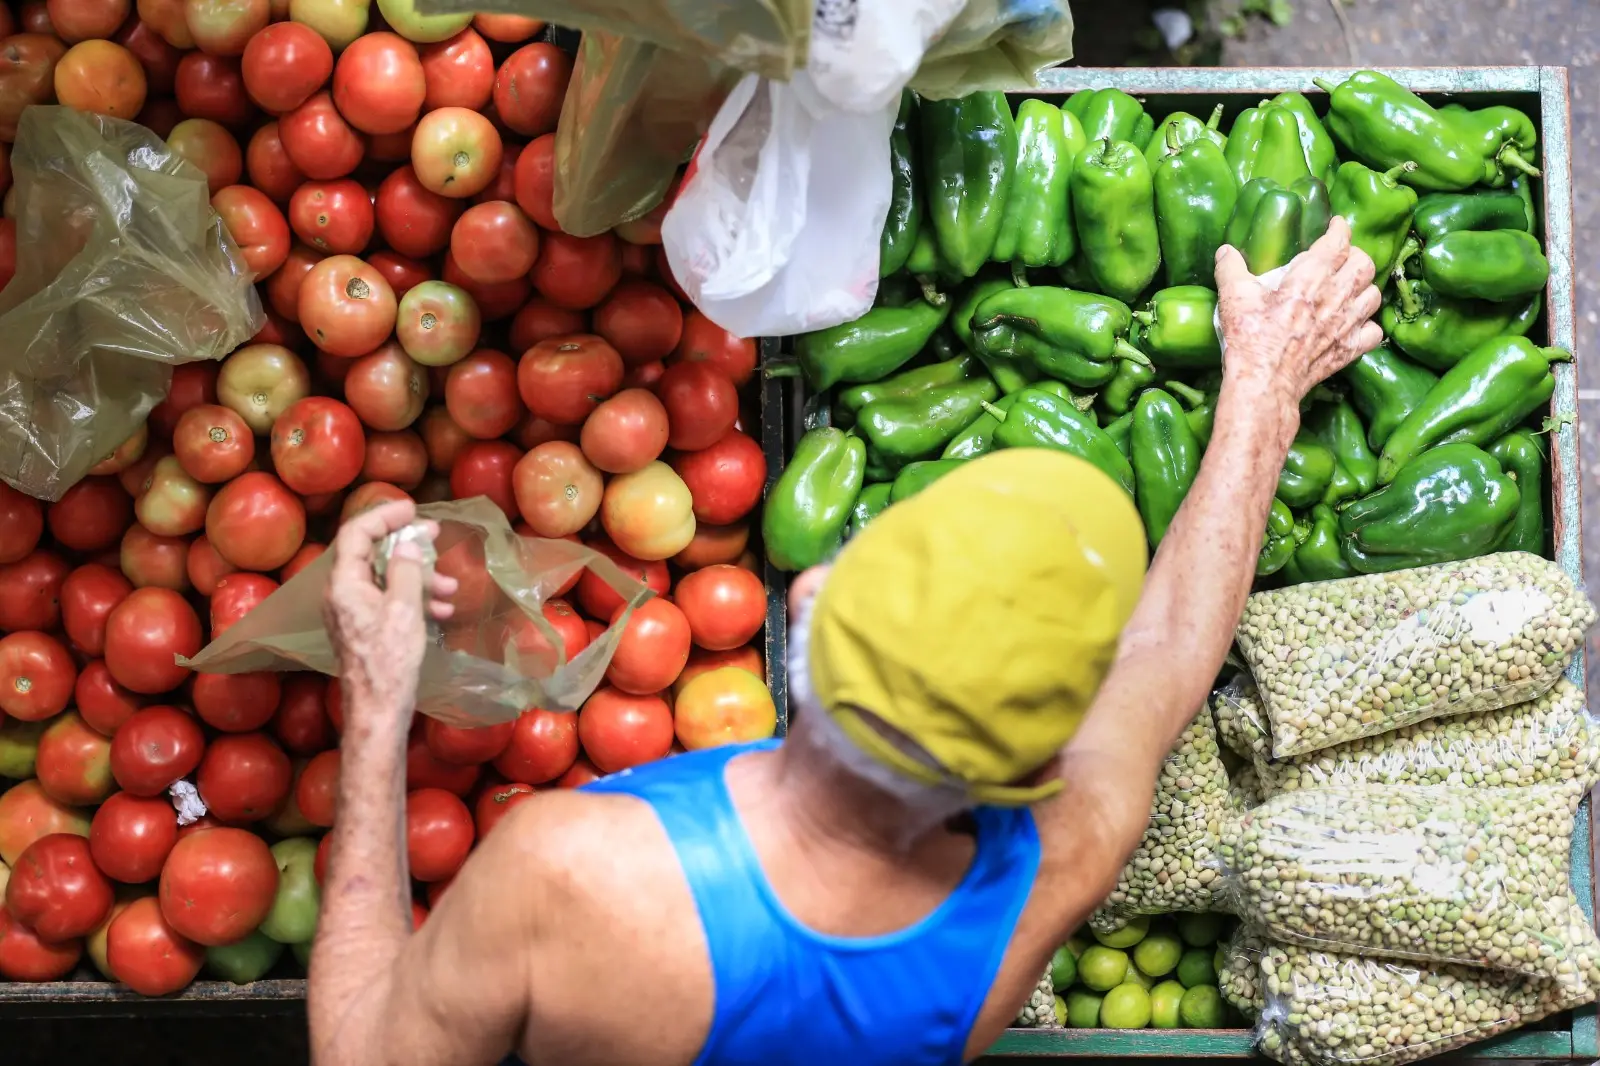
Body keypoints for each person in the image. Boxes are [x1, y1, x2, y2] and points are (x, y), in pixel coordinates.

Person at [307, 219, 1383, 1066]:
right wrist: (1263, 388)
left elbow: (360, 1050)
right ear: (1034, 765)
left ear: (810, 602)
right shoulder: (1057, 865)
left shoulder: (568, 877)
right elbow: (1169, 649)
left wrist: (379, 707)